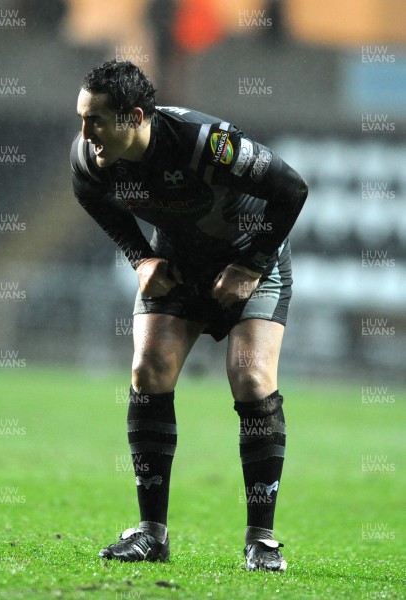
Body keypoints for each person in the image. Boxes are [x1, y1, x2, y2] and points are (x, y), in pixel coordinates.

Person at [70, 60, 308, 572]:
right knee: (147, 369)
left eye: (96, 122)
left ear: (135, 116)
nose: (86, 135)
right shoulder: (93, 160)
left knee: (250, 377)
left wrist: (249, 264)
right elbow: (91, 197)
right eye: (81, 119)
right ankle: (151, 534)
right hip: (179, 264)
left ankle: (261, 540)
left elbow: (293, 190)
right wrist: (141, 258)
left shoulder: (206, 143)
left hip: (251, 263)